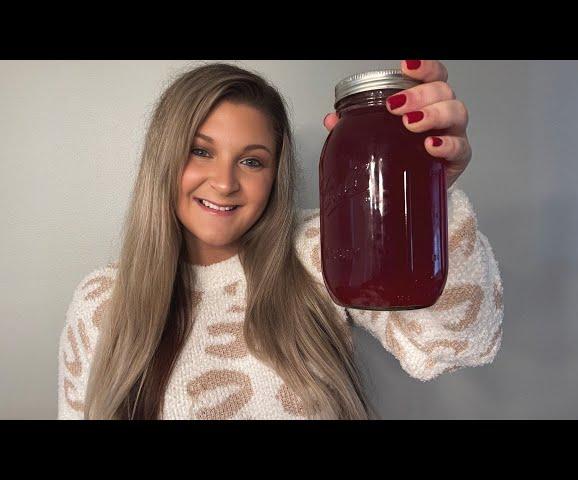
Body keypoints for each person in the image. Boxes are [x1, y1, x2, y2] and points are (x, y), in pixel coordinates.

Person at [57, 60, 503, 420]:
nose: (225, 182)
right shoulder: (101, 301)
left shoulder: (316, 250)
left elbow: (454, 346)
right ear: (163, 156)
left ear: (275, 175)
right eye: (201, 151)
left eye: (252, 161)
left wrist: (430, 196)